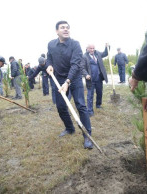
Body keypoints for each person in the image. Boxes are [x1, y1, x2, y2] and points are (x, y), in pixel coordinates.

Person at [46, 20, 93, 149]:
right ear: (57, 31)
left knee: (81, 106)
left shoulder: (75, 44)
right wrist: (49, 65)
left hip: (75, 78)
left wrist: (68, 82)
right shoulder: (51, 45)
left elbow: (75, 64)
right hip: (59, 79)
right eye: (62, 28)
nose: (66, 29)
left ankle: (87, 136)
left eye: (67, 28)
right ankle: (69, 128)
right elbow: (49, 57)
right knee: (61, 107)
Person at [81, 43, 108, 116]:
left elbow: (105, 53)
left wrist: (106, 47)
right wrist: (86, 74)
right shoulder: (84, 57)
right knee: (90, 95)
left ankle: (98, 105)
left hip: (99, 77)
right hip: (90, 79)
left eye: (93, 48)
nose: (92, 50)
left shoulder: (97, 53)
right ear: (87, 49)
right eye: (90, 48)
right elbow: (82, 67)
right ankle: (90, 110)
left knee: (99, 92)